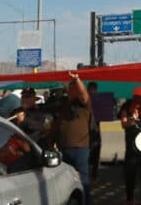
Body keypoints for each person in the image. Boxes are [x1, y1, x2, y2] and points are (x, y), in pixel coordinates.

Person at [54, 72, 94, 204]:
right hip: (63, 148)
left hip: (80, 148)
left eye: (74, 88)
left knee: (83, 178)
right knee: (67, 179)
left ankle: (86, 201)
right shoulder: (64, 105)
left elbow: (83, 94)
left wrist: (77, 79)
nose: (72, 90)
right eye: (70, 88)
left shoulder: (84, 104)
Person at [86, 81, 103, 182]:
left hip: (95, 130)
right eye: (91, 89)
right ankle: (92, 174)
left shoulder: (98, 100)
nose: (93, 91)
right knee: (90, 151)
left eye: (94, 89)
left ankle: (94, 174)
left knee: (95, 151)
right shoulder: (86, 100)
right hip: (87, 130)